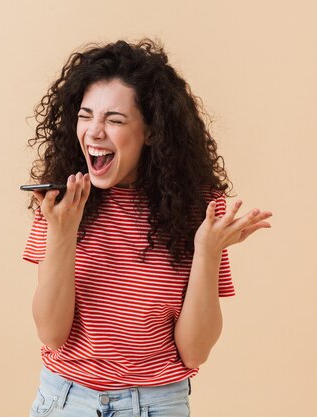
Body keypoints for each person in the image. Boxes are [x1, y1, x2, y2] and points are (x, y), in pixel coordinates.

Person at [22, 38, 272, 417]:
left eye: (115, 120)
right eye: (86, 115)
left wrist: (208, 250)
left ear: (151, 131)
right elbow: (52, 334)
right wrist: (61, 234)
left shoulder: (197, 207)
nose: (94, 131)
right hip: (66, 400)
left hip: (157, 404)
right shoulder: (62, 200)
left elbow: (195, 351)